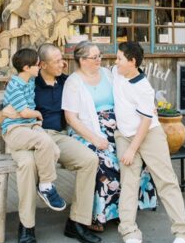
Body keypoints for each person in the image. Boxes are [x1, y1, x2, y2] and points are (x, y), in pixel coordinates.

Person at [0, 43, 103, 243]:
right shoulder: (29, 82)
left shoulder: (66, 82)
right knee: (28, 165)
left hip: (58, 137)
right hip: (30, 135)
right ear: (42, 65)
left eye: (62, 59)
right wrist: (6, 116)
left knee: (89, 160)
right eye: (56, 61)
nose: (62, 64)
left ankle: (77, 222)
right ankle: (27, 227)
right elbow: (3, 113)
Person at [62, 41, 158, 231]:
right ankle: (101, 216)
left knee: (134, 158)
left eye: (100, 55)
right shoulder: (73, 82)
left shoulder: (108, 74)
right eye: (94, 57)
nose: (100, 59)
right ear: (82, 60)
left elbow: (131, 88)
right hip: (88, 131)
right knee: (105, 162)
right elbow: (71, 118)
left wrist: (148, 106)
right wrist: (94, 139)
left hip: (118, 128)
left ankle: (123, 210)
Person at [112, 41, 185, 243]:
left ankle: (183, 234)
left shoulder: (143, 88)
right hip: (124, 135)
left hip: (147, 136)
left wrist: (132, 149)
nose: (115, 61)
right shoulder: (116, 72)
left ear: (132, 62)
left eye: (120, 58)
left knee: (165, 181)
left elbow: (145, 123)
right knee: (128, 183)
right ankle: (129, 232)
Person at [0, 47, 67, 243]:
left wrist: (34, 121)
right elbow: (13, 112)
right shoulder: (19, 83)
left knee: (50, 150)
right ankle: (28, 224)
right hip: (17, 132)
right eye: (39, 64)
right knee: (30, 162)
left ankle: (29, 220)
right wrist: (36, 114)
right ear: (29, 67)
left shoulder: (32, 80)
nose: (41, 67)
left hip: (32, 131)